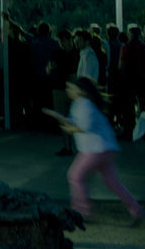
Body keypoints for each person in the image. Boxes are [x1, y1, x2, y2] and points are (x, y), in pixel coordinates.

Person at [52, 77, 143, 226]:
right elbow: (76, 123)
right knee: (113, 183)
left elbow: (84, 126)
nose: (68, 90)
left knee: (75, 176)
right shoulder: (82, 104)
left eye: (71, 88)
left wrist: (68, 128)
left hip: (94, 150)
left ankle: (82, 212)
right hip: (105, 149)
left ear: (80, 91)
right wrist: (60, 119)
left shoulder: (84, 104)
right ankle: (137, 211)